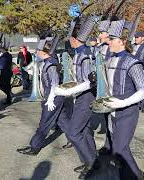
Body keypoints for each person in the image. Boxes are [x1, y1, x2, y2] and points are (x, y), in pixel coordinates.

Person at [99, 18, 144, 180]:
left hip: (127, 111)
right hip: (111, 109)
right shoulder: (109, 59)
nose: (109, 41)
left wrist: (122, 102)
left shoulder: (132, 62)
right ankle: (130, 174)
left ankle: (136, 175)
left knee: (120, 148)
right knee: (115, 146)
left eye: (112, 39)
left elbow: (143, 91)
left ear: (122, 41)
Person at [54, 16, 98, 179]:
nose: (69, 42)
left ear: (74, 39)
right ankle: (93, 161)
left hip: (86, 97)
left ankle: (91, 162)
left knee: (73, 132)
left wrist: (68, 91)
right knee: (85, 131)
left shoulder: (84, 55)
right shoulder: (81, 52)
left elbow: (89, 82)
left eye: (69, 39)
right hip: (81, 95)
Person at [16, 35, 72, 155]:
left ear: (45, 53)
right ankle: (74, 139)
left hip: (54, 97)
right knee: (63, 122)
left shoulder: (51, 64)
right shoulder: (48, 61)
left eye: (39, 51)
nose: (37, 52)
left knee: (44, 123)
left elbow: (55, 84)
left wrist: (50, 99)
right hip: (53, 96)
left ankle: (34, 147)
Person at [0, 36, 12, 105]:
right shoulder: (9, 55)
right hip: (8, 72)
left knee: (2, 86)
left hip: (5, 73)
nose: (0, 50)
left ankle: (9, 96)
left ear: (3, 49)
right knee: (7, 86)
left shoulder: (4, 56)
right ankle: (9, 98)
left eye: (1, 49)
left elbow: (0, 66)